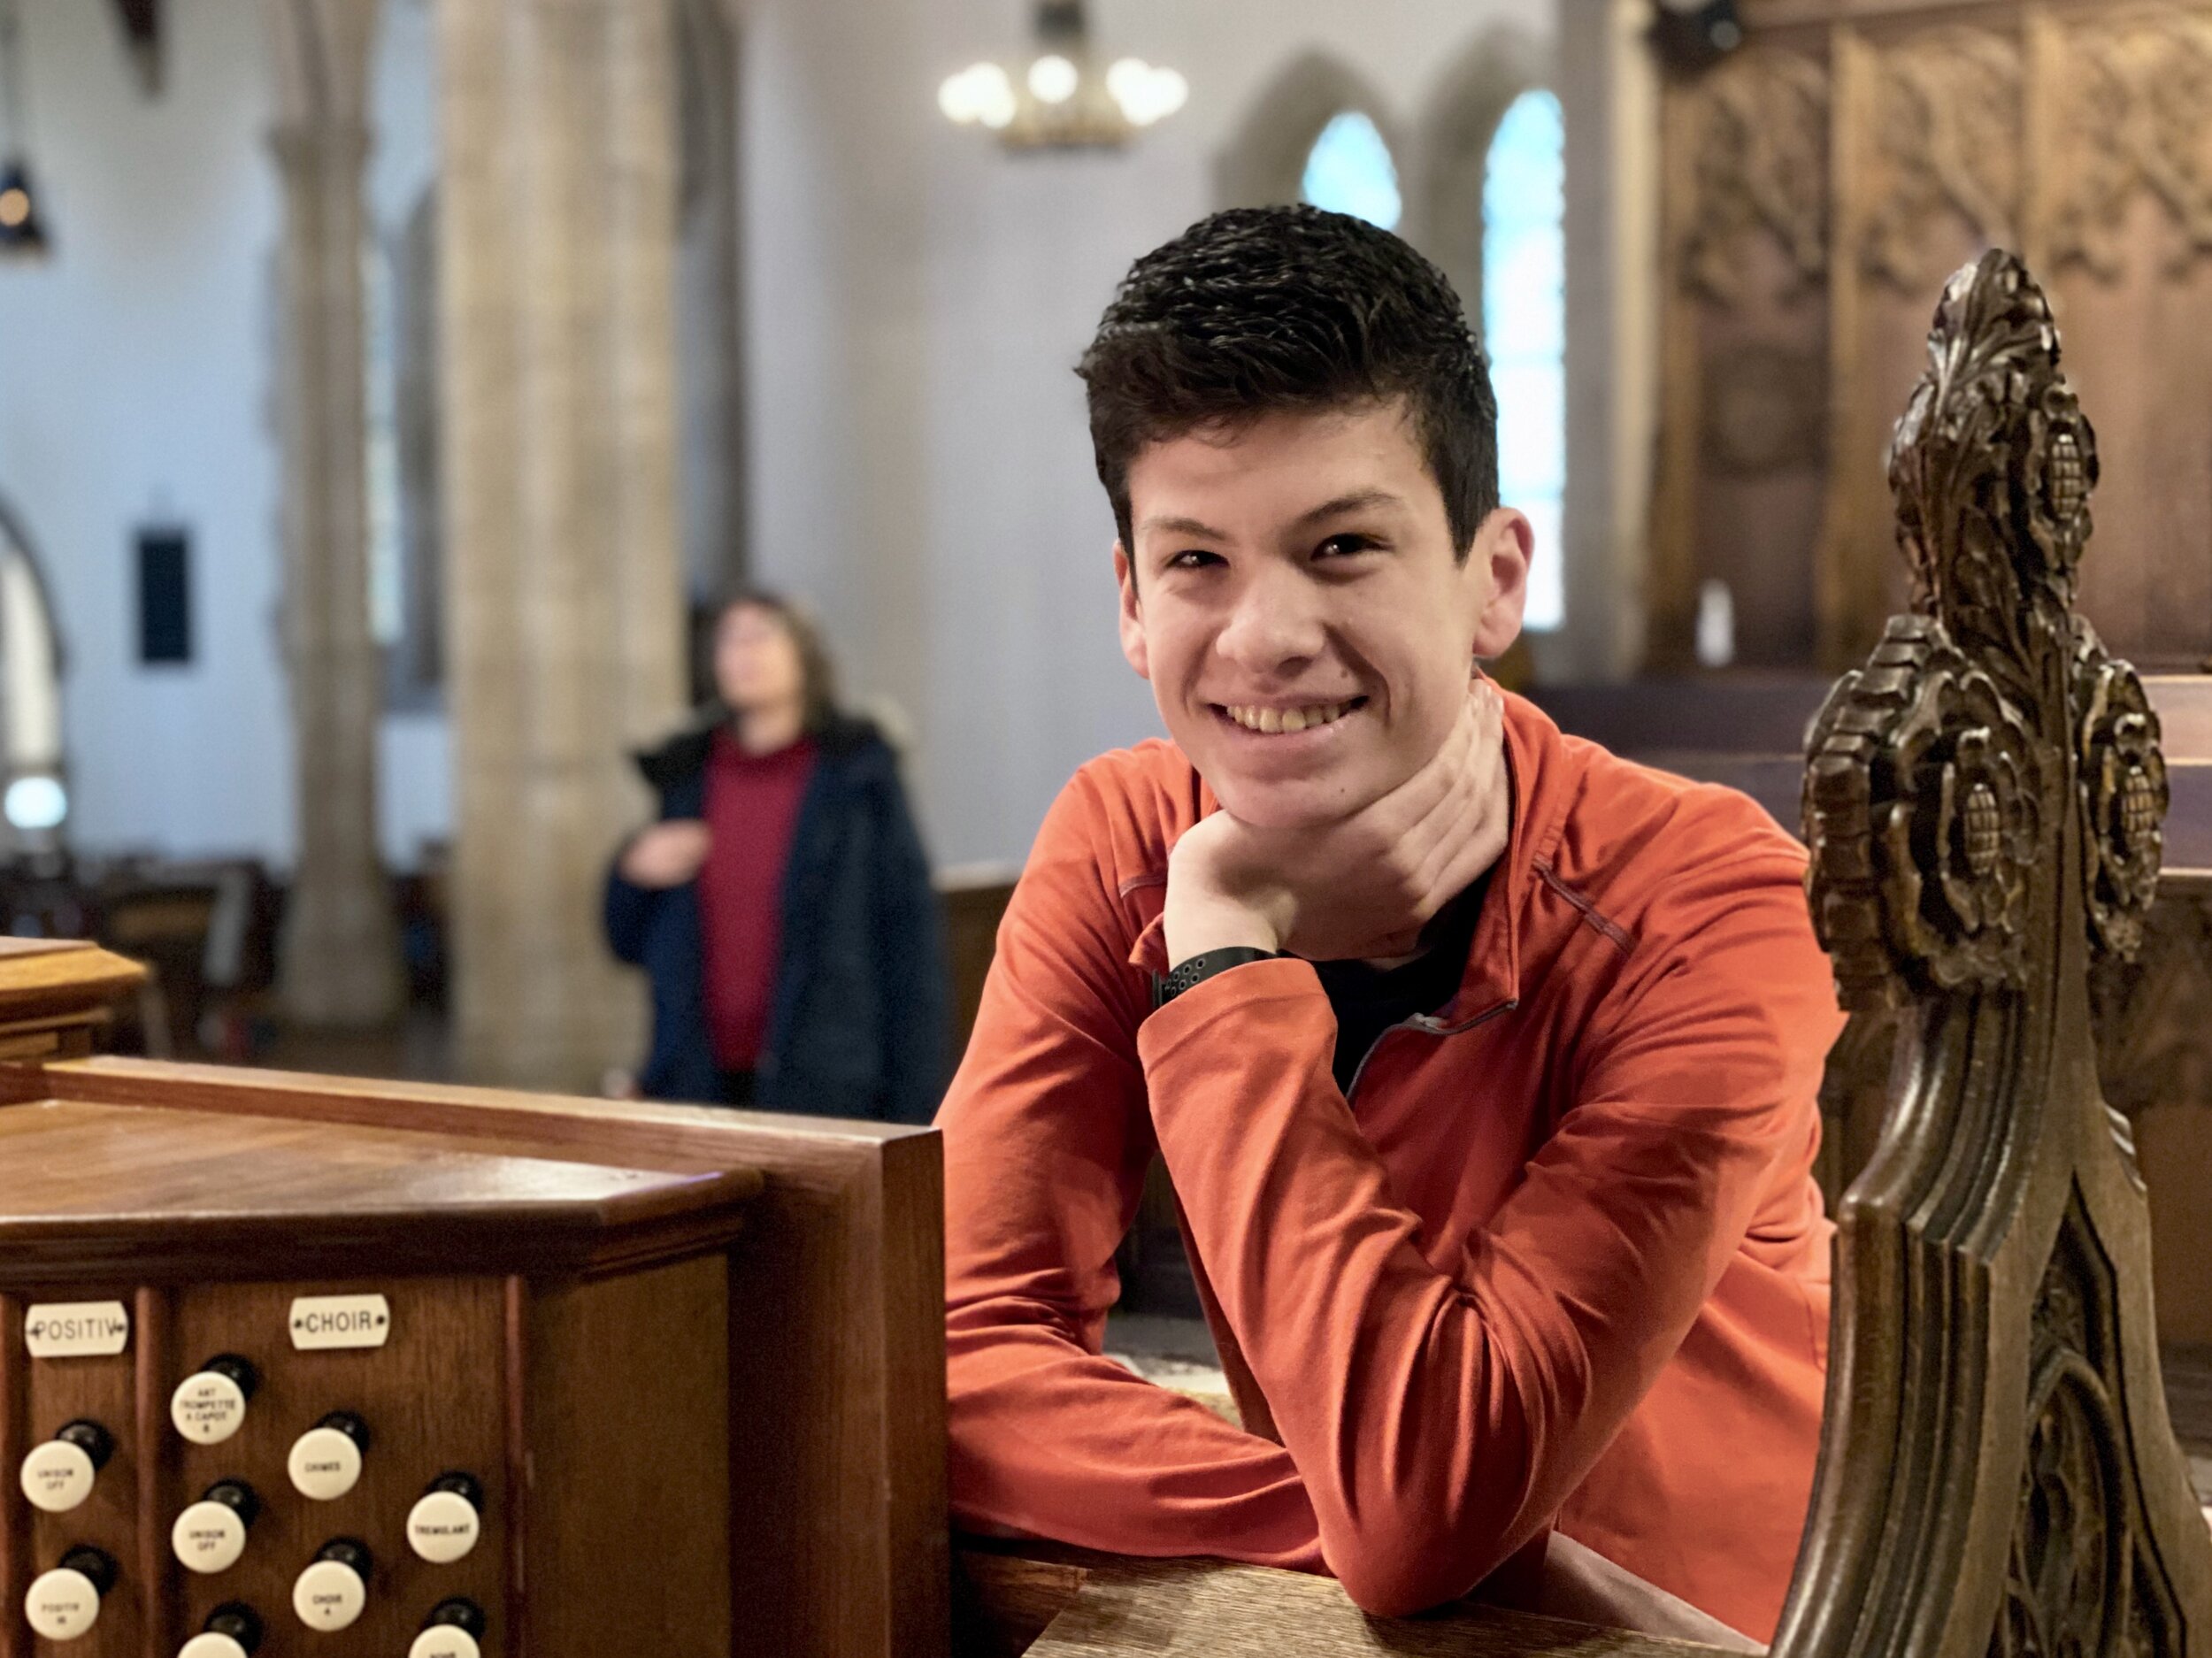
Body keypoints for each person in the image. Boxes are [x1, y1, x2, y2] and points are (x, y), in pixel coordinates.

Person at [936, 205, 1843, 1642]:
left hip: (1720, 1630)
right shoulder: (1126, 839)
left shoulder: (1711, 897)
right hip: (1398, 1623)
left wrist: (1224, 952)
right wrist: (1349, 1515)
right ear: (1128, 598)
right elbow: (956, 1357)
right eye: (1195, 562)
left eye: (1341, 544)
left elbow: (1422, 1502)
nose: (1262, 636)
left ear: (1492, 576)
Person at [603, 590, 947, 1121]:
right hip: (698, 1081)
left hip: (827, 1078)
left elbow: (909, 943)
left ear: (803, 654)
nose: (744, 651)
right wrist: (629, 872)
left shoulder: (856, 774)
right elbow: (626, 941)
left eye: (762, 633)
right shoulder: (687, 775)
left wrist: (917, 1105)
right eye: (729, 638)